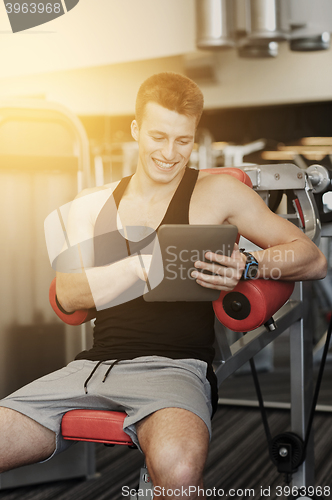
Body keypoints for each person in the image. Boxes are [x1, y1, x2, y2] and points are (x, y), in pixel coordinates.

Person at [0, 72, 327, 499]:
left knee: (177, 470)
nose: (170, 154)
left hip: (173, 369)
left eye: (183, 140)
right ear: (136, 130)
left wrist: (249, 264)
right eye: (158, 137)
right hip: (88, 370)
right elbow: (68, 293)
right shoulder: (94, 201)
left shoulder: (216, 194)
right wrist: (142, 265)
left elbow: (311, 257)